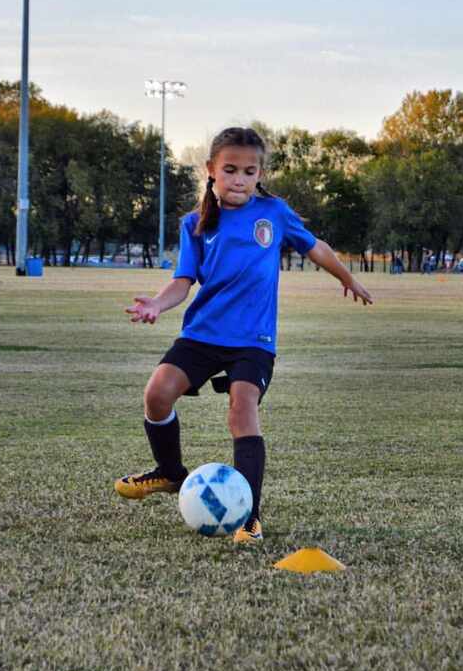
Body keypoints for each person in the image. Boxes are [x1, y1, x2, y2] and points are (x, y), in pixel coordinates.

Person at [114, 127, 374, 544]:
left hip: (253, 341)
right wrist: (156, 306)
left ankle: (250, 516)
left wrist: (347, 276)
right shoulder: (195, 223)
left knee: (242, 408)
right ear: (211, 171)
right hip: (203, 334)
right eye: (230, 169)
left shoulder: (273, 212)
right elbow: (183, 281)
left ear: (259, 174)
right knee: (157, 394)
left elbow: (315, 247)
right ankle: (170, 473)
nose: (239, 179)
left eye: (249, 171)